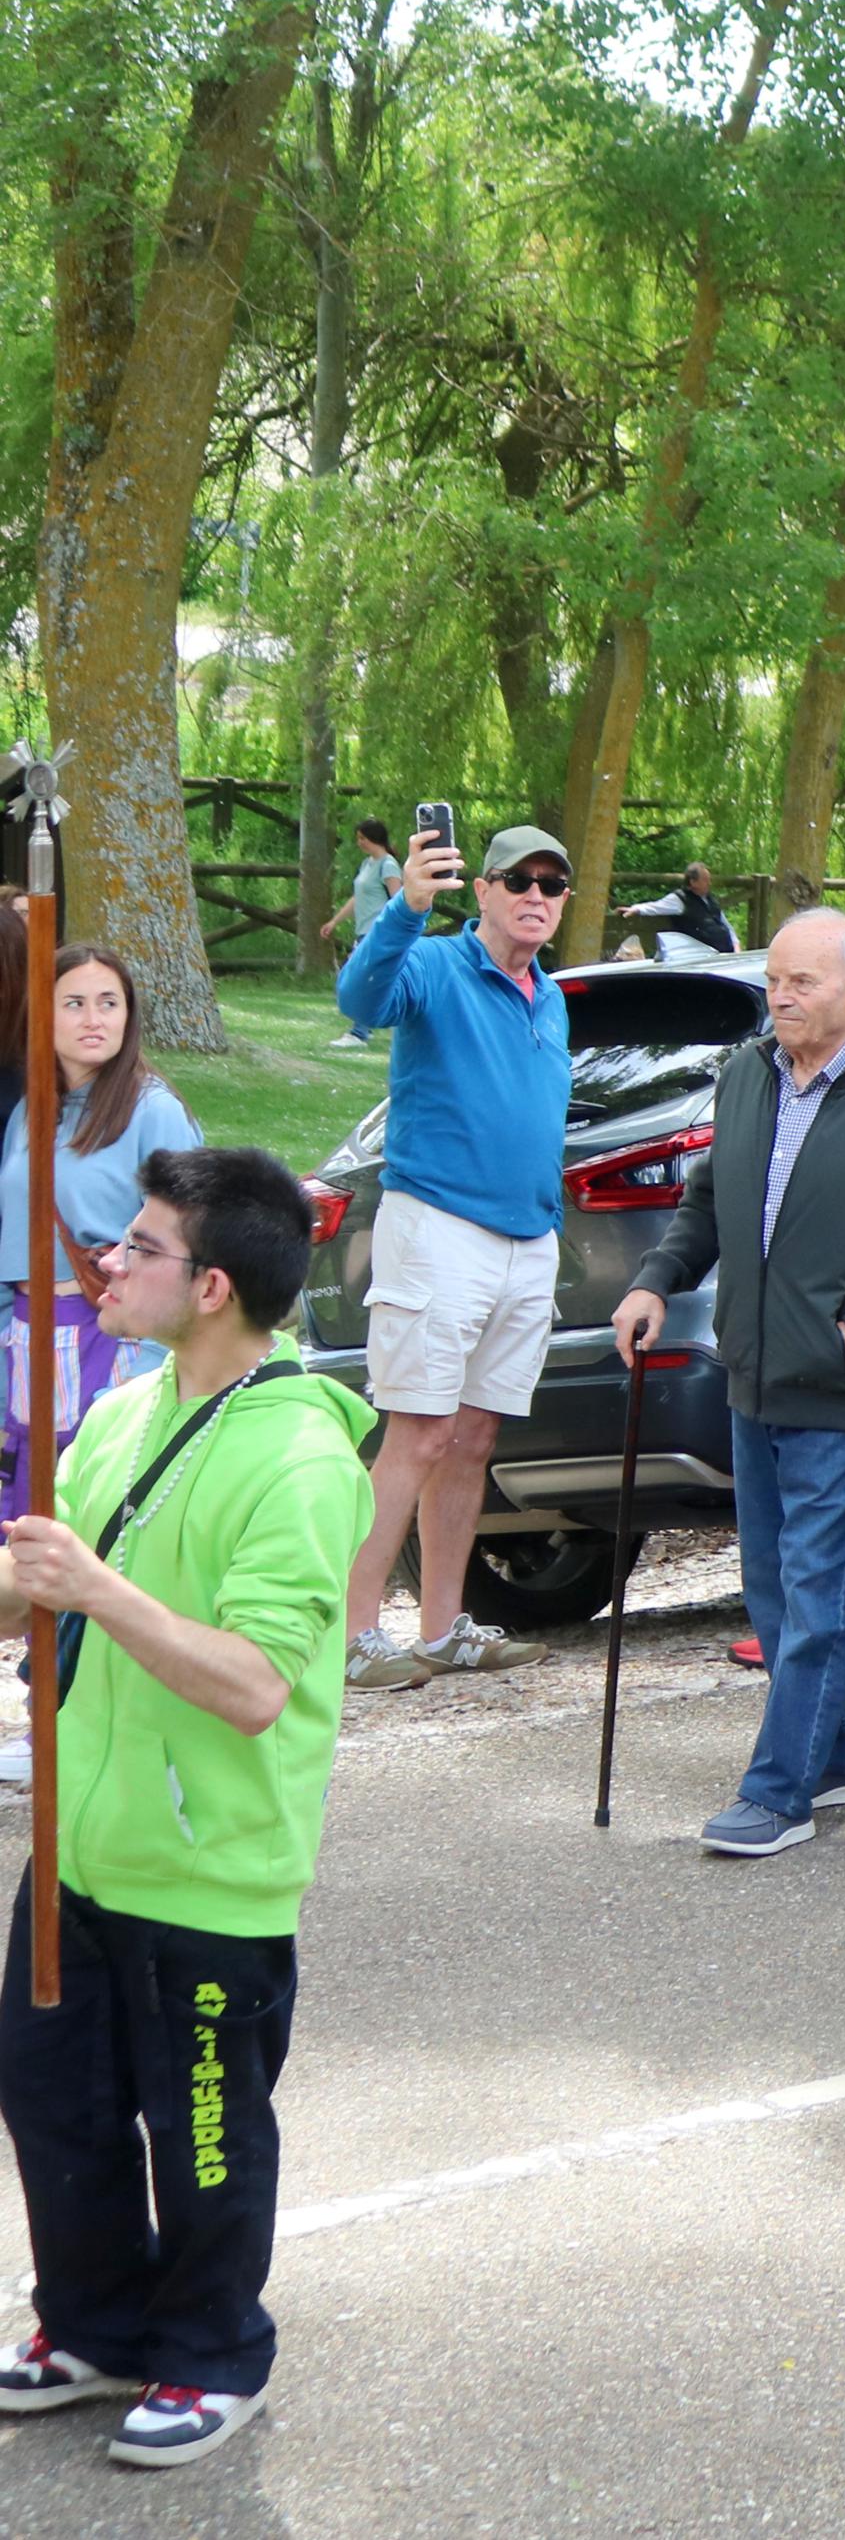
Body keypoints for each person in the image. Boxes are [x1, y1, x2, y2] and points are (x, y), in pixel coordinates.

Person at [0, 1149, 377, 2470]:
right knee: (54, 2103)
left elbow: (256, 1682)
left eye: (141, 1247)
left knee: (205, 2134)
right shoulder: (124, 1404)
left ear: (211, 1284)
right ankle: (94, 2322)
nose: (111, 1260)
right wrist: (31, 1579)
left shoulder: (295, 1458)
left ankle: (213, 2348)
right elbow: (46, 1582)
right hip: (77, 1852)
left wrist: (93, 1586)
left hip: (206, 1877)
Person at [612, 912, 845, 1858]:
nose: (781, 996)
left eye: (803, 982)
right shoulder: (746, 1075)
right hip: (754, 1380)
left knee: (818, 1595)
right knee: (775, 1591)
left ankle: (780, 1793)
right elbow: (706, 1202)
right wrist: (656, 1281)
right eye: (776, 980)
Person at [331, 819, 574, 1691]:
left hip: (525, 1241)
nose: (536, 896)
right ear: (485, 891)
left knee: (473, 1438)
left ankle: (441, 1628)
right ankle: (353, 1633)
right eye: (519, 880)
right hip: (437, 1229)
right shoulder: (434, 962)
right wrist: (405, 905)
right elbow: (359, 1001)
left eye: (552, 884)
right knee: (419, 1430)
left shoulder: (549, 995)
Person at [1, 947, 205, 1504]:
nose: (94, 1019)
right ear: (44, 1014)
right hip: (26, 1346)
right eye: (75, 1003)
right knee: (25, 1540)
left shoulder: (155, 1111)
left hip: (112, 1345)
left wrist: (147, 1372)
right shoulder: (29, 1112)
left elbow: (189, 1251)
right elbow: (10, 1246)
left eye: (108, 1003)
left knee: (97, 1528)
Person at [322, 817, 398, 1042]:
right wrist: (334, 921)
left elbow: (397, 900)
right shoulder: (367, 864)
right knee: (368, 979)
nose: (359, 843)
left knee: (361, 978)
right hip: (363, 930)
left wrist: (390, 930)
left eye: (362, 838)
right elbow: (358, 898)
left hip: (378, 931)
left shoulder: (389, 865)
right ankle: (368, 1026)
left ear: (374, 838)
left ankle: (359, 1032)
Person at [615, 859, 737, 963]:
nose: (709, 883)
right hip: (702, 959)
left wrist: (736, 947)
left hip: (726, 956)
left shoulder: (711, 899)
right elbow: (657, 906)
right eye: (705, 880)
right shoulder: (680, 900)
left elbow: (725, 925)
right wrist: (636, 909)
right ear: (693, 882)